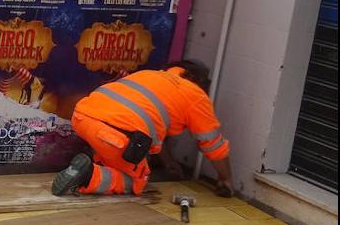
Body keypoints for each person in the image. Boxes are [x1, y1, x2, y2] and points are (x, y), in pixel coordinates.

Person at [52, 60, 233, 199]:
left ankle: (91, 165)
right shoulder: (195, 95)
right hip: (113, 133)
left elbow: (156, 129)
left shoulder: (150, 75)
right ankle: (88, 175)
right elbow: (214, 145)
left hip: (83, 117)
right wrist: (225, 179)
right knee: (138, 181)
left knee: (119, 155)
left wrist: (168, 162)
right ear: (198, 80)